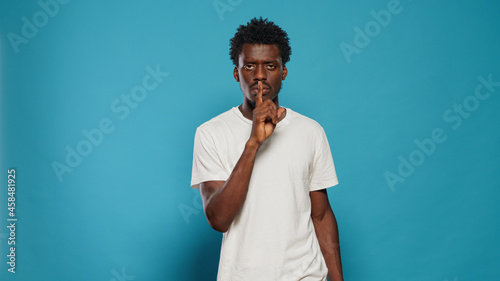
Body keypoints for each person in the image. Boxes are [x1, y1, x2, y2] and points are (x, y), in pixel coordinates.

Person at [191, 17, 343, 281]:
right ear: (237, 73)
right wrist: (253, 143)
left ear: (283, 72)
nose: (259, 75)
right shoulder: (210, 133)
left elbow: (320, 215)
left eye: (270, 66)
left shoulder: (310, 131)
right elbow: (219, 220)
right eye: (249, 66)